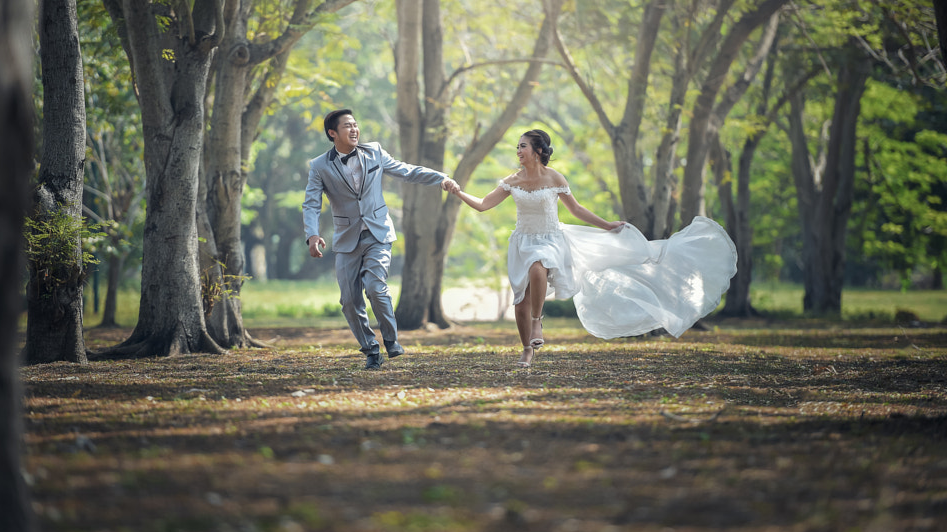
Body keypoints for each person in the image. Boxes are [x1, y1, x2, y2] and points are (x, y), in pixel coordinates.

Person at [451, 129, 737, 367]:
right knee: (520, 302)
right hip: (522, 241)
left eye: (522, 146)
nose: (518, 151)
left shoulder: (555, 178)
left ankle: (538, 321)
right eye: (517, 147)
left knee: (539, 268)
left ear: (538, 150)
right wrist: (458, 191)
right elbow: (483, 205)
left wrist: (607, 225)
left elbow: (576, 210)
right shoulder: (511, 181)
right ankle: (527, 350)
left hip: (551, 240)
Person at [303, 109, 460, 370]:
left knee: (376, 288)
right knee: (349, 301)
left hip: (378, 234)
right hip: (346, 239)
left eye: (355, 124)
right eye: (347, 126)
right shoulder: (319, 166)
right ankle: (370, 350)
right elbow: (311, 203)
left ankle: (391, 340)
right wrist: (312, 234)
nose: (354, 129)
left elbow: (407, 171)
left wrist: (440, 178)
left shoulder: (374, 151)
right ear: (333, 133)